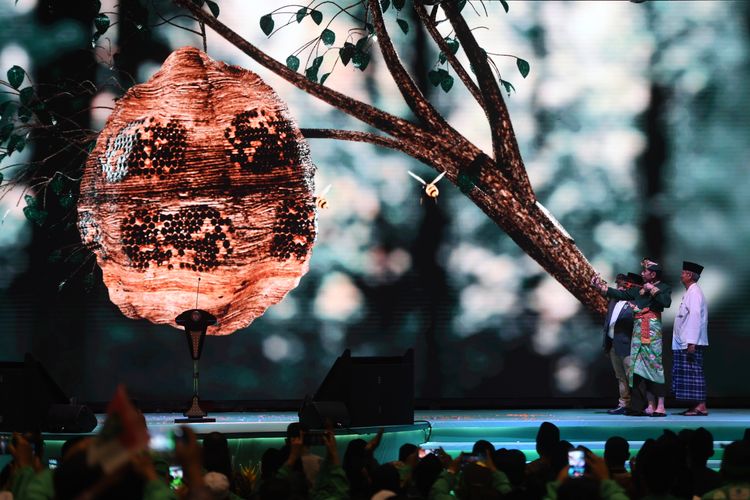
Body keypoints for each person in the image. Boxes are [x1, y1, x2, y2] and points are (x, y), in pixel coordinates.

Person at [593, 260, 672, 417]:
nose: (642, 273)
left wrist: (653, 289)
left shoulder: (663, 288)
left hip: (651, 331)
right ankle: (650, 404)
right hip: (637, 332)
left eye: (645, 271)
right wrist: (600, 287)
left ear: (653, 274)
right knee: (640, 370)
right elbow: (620, 294)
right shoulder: (639, 291)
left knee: (655, 367)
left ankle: (661, 406)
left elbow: (666, 302)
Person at [672, 260, 710, 416]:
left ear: (689, 275)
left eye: (683, 273)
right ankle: (696, 405)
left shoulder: (694, 292)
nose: (681, 275)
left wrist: (691, 342)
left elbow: (695, 317)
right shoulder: (690, 292)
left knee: (694, 373)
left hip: (690, 342)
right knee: (689, 374)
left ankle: (701, 406)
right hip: (685, 341)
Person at [602, 273, 635, 415]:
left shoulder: (634, 301)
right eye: (618, 284)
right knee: (620, 376)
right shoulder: (614, 300)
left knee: (631, 375)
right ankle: (624, 403)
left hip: (627, 344)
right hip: (613, 343)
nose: (619, 287)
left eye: (622, 284)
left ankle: (636, 404)